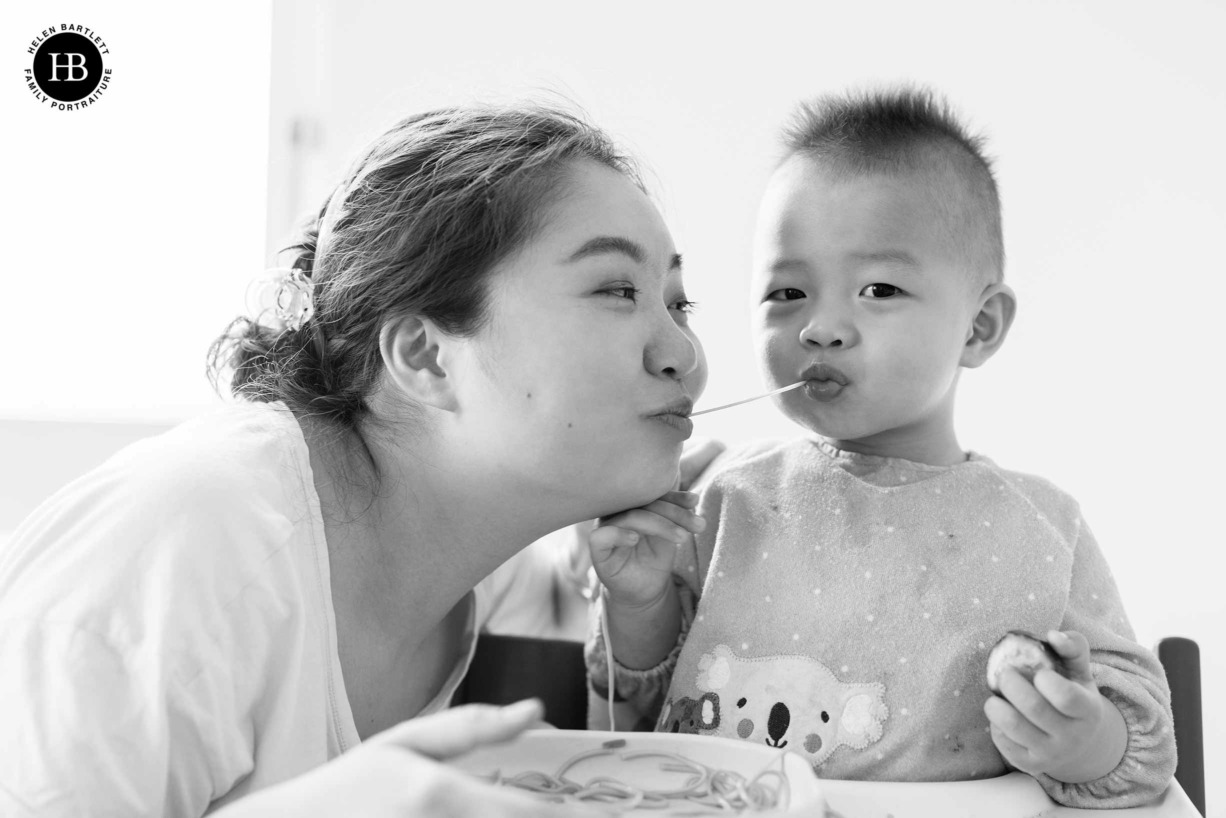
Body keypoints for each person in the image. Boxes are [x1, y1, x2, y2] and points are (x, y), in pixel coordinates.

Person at [0, 103, 706, 817]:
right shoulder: (190, 548)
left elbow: (564, 597)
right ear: (426, 356)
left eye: (680, 304)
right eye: (617, 290)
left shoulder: (462, 549)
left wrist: (628, 587)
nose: (686, 355)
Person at [584, 87, 1176, 808]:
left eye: (880, 288)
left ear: (980, 327)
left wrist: (1089, 742)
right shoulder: (726, 496)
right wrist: (638, 605)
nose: (821, 327)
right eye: (786, 294)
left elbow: (1145, 752)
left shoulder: (1044, 528)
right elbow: (632, 726)